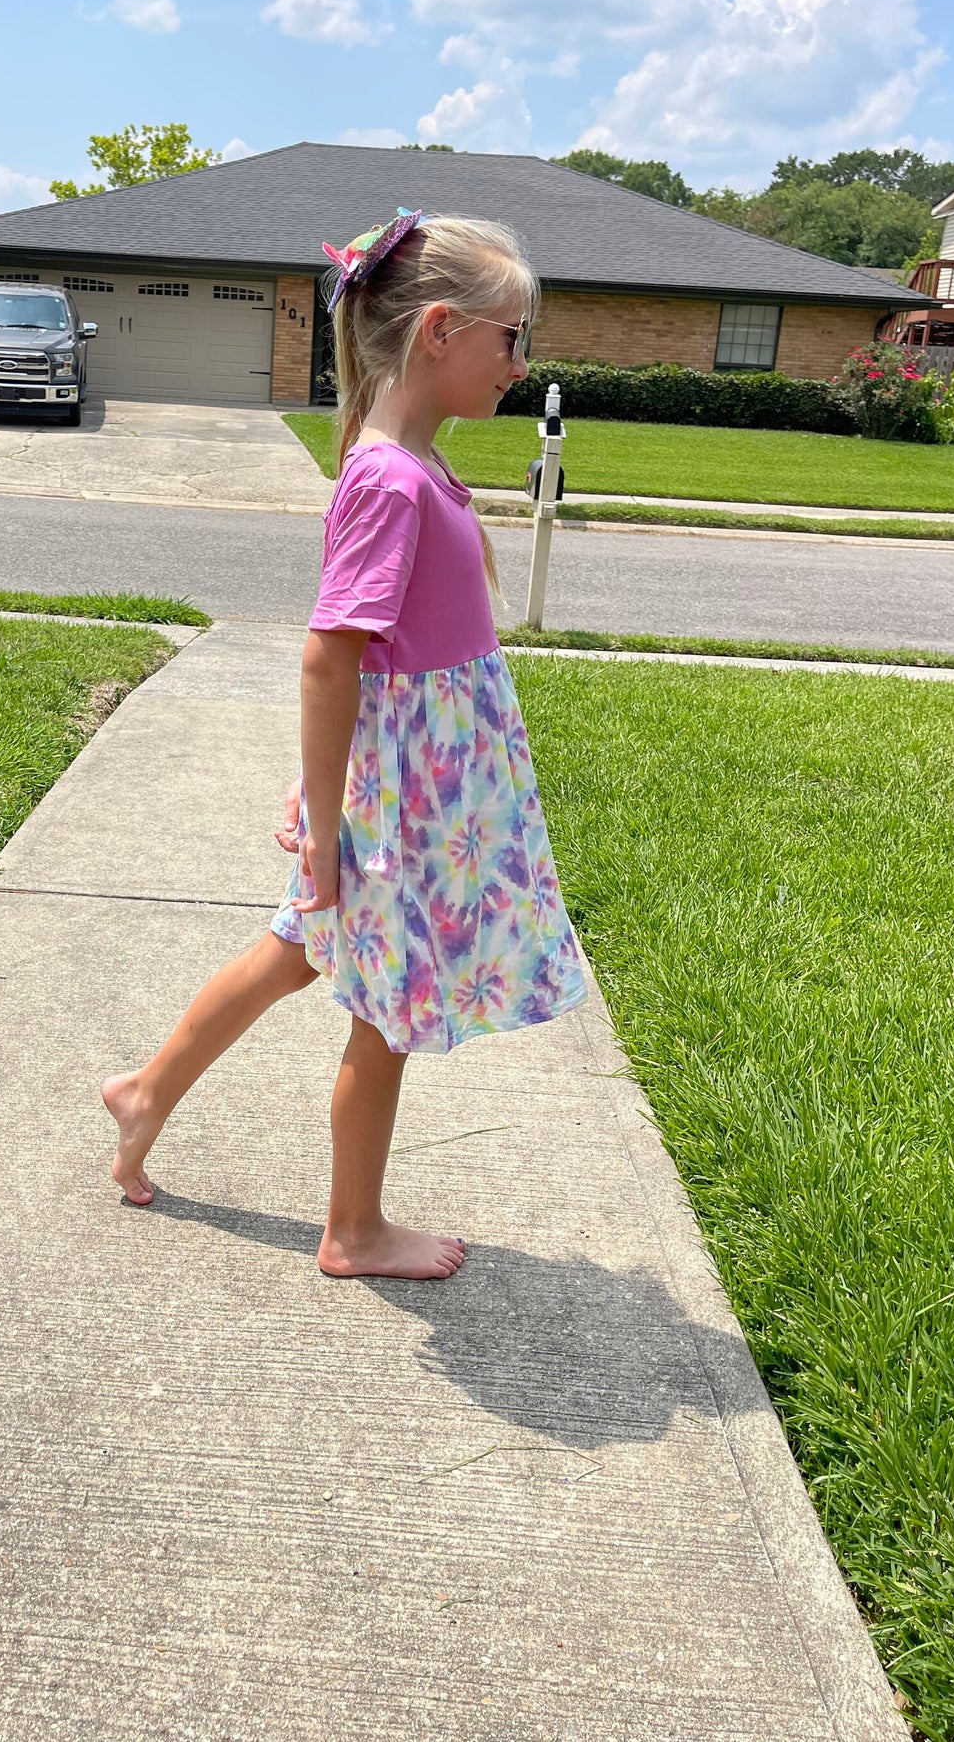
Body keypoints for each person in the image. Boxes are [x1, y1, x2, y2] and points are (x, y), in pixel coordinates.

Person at [103, 210, 588, 1280]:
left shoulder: (411, 463)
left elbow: (373, 661)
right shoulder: (388, 479)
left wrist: (328, 783)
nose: (521, 363)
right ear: (441, 330)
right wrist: (325, 823)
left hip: (410, 779)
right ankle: (352, 1230)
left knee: (296, 950)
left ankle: (143, 1092)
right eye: (512, 338)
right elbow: (328, 658)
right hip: (407, 805)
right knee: (386, 1010)